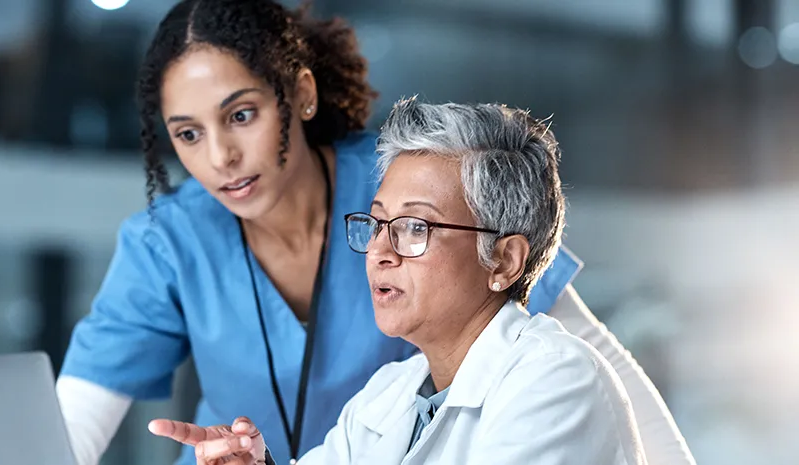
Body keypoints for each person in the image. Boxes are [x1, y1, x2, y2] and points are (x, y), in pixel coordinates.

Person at [56, 1, 695, 464]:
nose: (219, 156)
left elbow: (589, 354)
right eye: (187, 134)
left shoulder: (402, 179)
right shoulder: (171, 243)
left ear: (300, 96)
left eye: (242, 115)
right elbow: (68, 432)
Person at [148, 99, 648, 465]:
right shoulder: (391, 393)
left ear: (503, 261)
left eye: (415, 227)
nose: (380, 252)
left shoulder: (555, 380)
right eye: (377, 223)